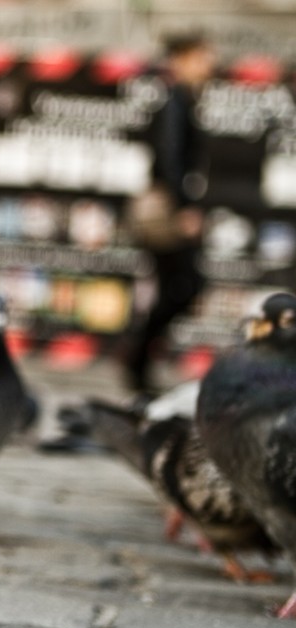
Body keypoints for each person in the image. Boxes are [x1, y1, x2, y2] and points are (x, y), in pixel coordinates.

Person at [123, 31, 215, 393]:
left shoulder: (182, 97)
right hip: (169, 213)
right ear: (183, 58)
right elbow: (170, 158)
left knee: (178, 288)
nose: (209, 65)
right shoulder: (173, 98)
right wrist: (183, 207)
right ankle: (137, 358)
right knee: (184, 285)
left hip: (173, 209)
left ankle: (138, 359)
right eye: (203, 56)